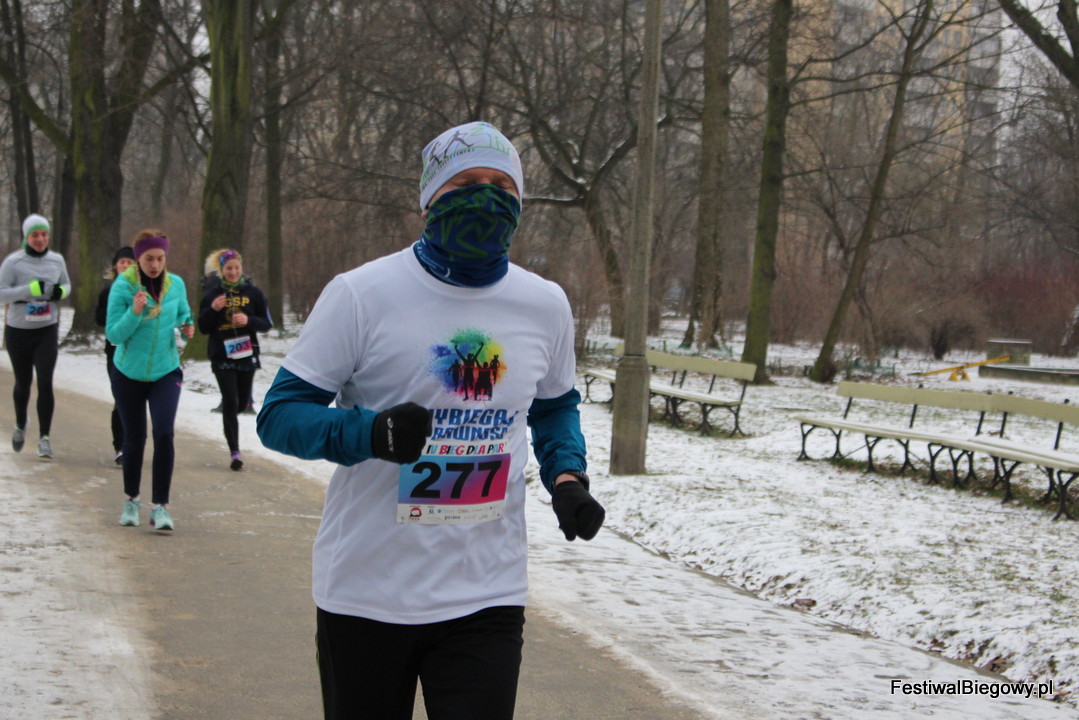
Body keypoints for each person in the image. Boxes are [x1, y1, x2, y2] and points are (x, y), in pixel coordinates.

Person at [257, 121, 606, 720]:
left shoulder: (545, 304)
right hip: (368, 591)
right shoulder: (361, 294)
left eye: (502, 185)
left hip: (487, 592)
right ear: (429, 198)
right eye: (467, 184)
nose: (486, 197)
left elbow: (553, 407)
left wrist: (567, 477)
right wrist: (367, 433)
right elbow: (279, 416)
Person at [106, 230, 195, 531]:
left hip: (165, 370)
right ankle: (131, 500)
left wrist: (187, 328)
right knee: (135, 437)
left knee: (164, 432)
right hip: (128, 373)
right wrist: (135, 312)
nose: (155, 265)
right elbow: (114, 335)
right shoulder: (123, 286)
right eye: (149, 259)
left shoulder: (176, 284)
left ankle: (161, 507)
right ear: (138, 258)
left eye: (160, 258)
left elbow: (184, 314)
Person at [0, 214, 71, 458]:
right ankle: (21, 423)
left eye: (44, 234)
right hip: (18, 331)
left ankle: (44, 438)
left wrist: (61, 292)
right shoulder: (13, 262)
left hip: (46, 329)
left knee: (45, 382)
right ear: (26, 237)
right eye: (35, 235)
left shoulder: (57, 260)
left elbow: (66, 284)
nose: (40, 239)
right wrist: (28, 290)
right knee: (23, 383)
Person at [197, 248, 273, 470]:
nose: (233, 272)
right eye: (229, 268)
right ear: (222, 270)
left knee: (240, 403)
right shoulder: (212, 294)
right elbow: (202, 327)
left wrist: (249, 321)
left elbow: (266, 324)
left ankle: (232, 430)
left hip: (246, 355)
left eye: (236, 268)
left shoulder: (254, 293)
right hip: (222, 356)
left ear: (241, 268)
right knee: (230, 401)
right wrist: (213, 310)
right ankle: (235, 452)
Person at [96, 246, 136, 464]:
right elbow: (98, 318)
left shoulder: (141, 292)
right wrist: (116, 315)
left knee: (133, 400)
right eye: (122, 262)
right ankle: (120, 446)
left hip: (136, 352)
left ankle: (132, 443)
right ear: (115, 267)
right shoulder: (107, 292)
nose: (126, 266)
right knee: (120, 398)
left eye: (130, 262)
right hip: (114, 352)